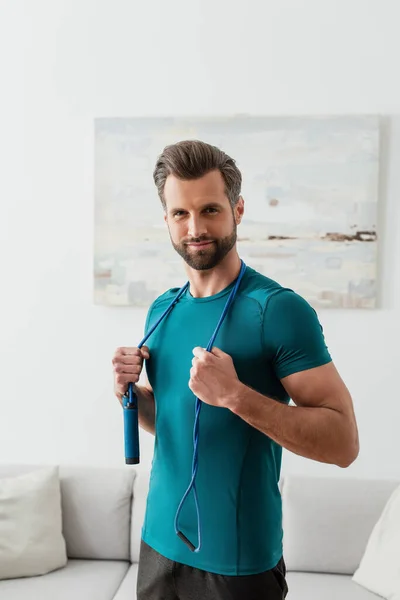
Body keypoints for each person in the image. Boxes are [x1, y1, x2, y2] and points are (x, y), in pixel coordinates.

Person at [112, 140, 359, 600]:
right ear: (165, 218)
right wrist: (130, 395)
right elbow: (173, 422)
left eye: (210, 209)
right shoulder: (162, 310)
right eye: (180, 213)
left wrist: (236, 395)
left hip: (238, 566)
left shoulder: (277, 310)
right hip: (157, 547)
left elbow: (344, 443)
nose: (196, 227)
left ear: (238, 209)